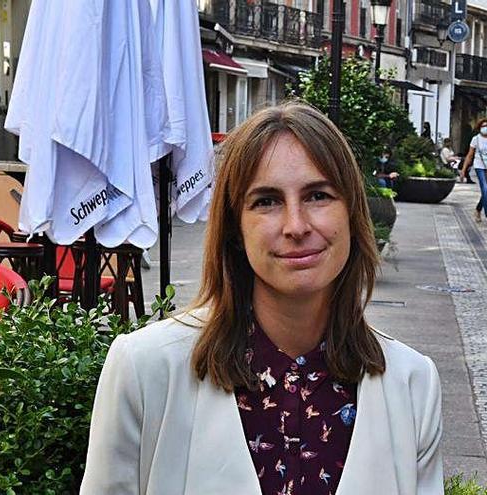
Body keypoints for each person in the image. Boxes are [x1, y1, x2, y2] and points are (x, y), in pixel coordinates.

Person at [80, 102, 444, 495]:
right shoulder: (145, 370)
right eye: (266, 201)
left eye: (318, 195)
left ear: (352, 213)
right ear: (235, 229)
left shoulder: (412, 386)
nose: (296, 226)